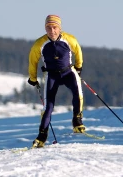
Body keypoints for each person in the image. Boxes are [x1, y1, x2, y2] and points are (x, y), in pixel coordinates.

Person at [27, 14, 85, 148]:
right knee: (48, 107)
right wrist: (33, 78)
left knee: (78, 94)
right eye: (48, 28)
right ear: (45, 28)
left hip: (68, 72)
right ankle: (41, 136)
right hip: (51, 75)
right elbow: (33, 61)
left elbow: (78, 51)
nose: (52, 31)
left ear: (59, 28)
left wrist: (79, 67)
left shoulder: (69, 39)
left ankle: (77, 121)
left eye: (54, 27)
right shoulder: (39, 44)